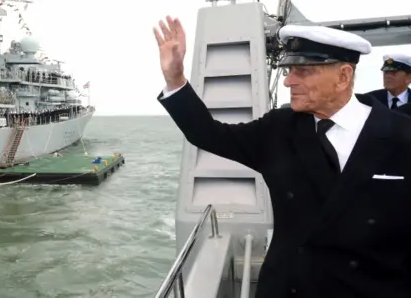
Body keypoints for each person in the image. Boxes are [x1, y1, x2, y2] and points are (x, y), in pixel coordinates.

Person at [153, 16, 411, 298]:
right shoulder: (279, 128)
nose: (288, 80)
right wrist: (175, 79)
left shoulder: (401, 135)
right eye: (289, 70)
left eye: (302, 70)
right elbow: (209, 134)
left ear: (343, 76)